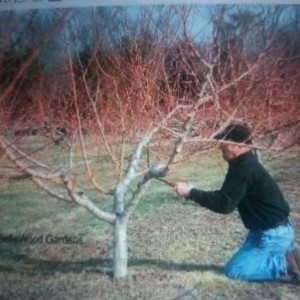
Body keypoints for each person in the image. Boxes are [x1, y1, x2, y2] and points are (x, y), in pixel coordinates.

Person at [172, 123, 300, 284]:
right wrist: (192, 190)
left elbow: (224, 204)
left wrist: (191, 193)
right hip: (264, 231)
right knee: (239, 265)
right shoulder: (243, 163)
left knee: (235, 271)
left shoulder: (244, 168)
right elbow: (227, 196)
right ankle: (288, 252)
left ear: (237, 145)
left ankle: (288, 264)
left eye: (223, 143)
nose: (220, 148)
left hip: (273, 234)